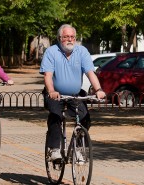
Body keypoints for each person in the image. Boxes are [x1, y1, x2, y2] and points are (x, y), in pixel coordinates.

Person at [40, 24, 106, 161]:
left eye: (72, 37)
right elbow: (47, 75)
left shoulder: (82, 52)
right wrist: (51, 91)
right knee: (55, 115)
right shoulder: (51, 52)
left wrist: (98, 89)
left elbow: (90, 73)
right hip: (55, 94)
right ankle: (54, 149)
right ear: (59, 38)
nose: (70, 39)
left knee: (85, 118)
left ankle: (78, 149)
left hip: (75, 94)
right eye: (66, 37)